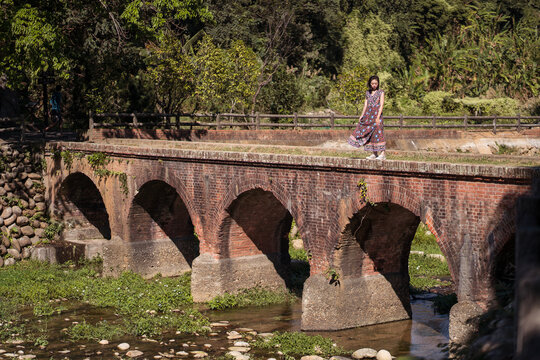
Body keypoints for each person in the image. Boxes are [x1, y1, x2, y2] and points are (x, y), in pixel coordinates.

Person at [347, 75, 386, 160]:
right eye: (372, 83)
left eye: (376, 83)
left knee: (379, 133)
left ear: (378, 83)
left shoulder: (381, 92)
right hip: (368, 115)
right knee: (370, 134)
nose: (374, 85)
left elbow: (381, 104)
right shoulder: (367, 93)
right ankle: (374, 153)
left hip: (377, 115)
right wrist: (362, 114)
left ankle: (382, 154)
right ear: (370, 84)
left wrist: (378, 117)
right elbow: (365, 104)